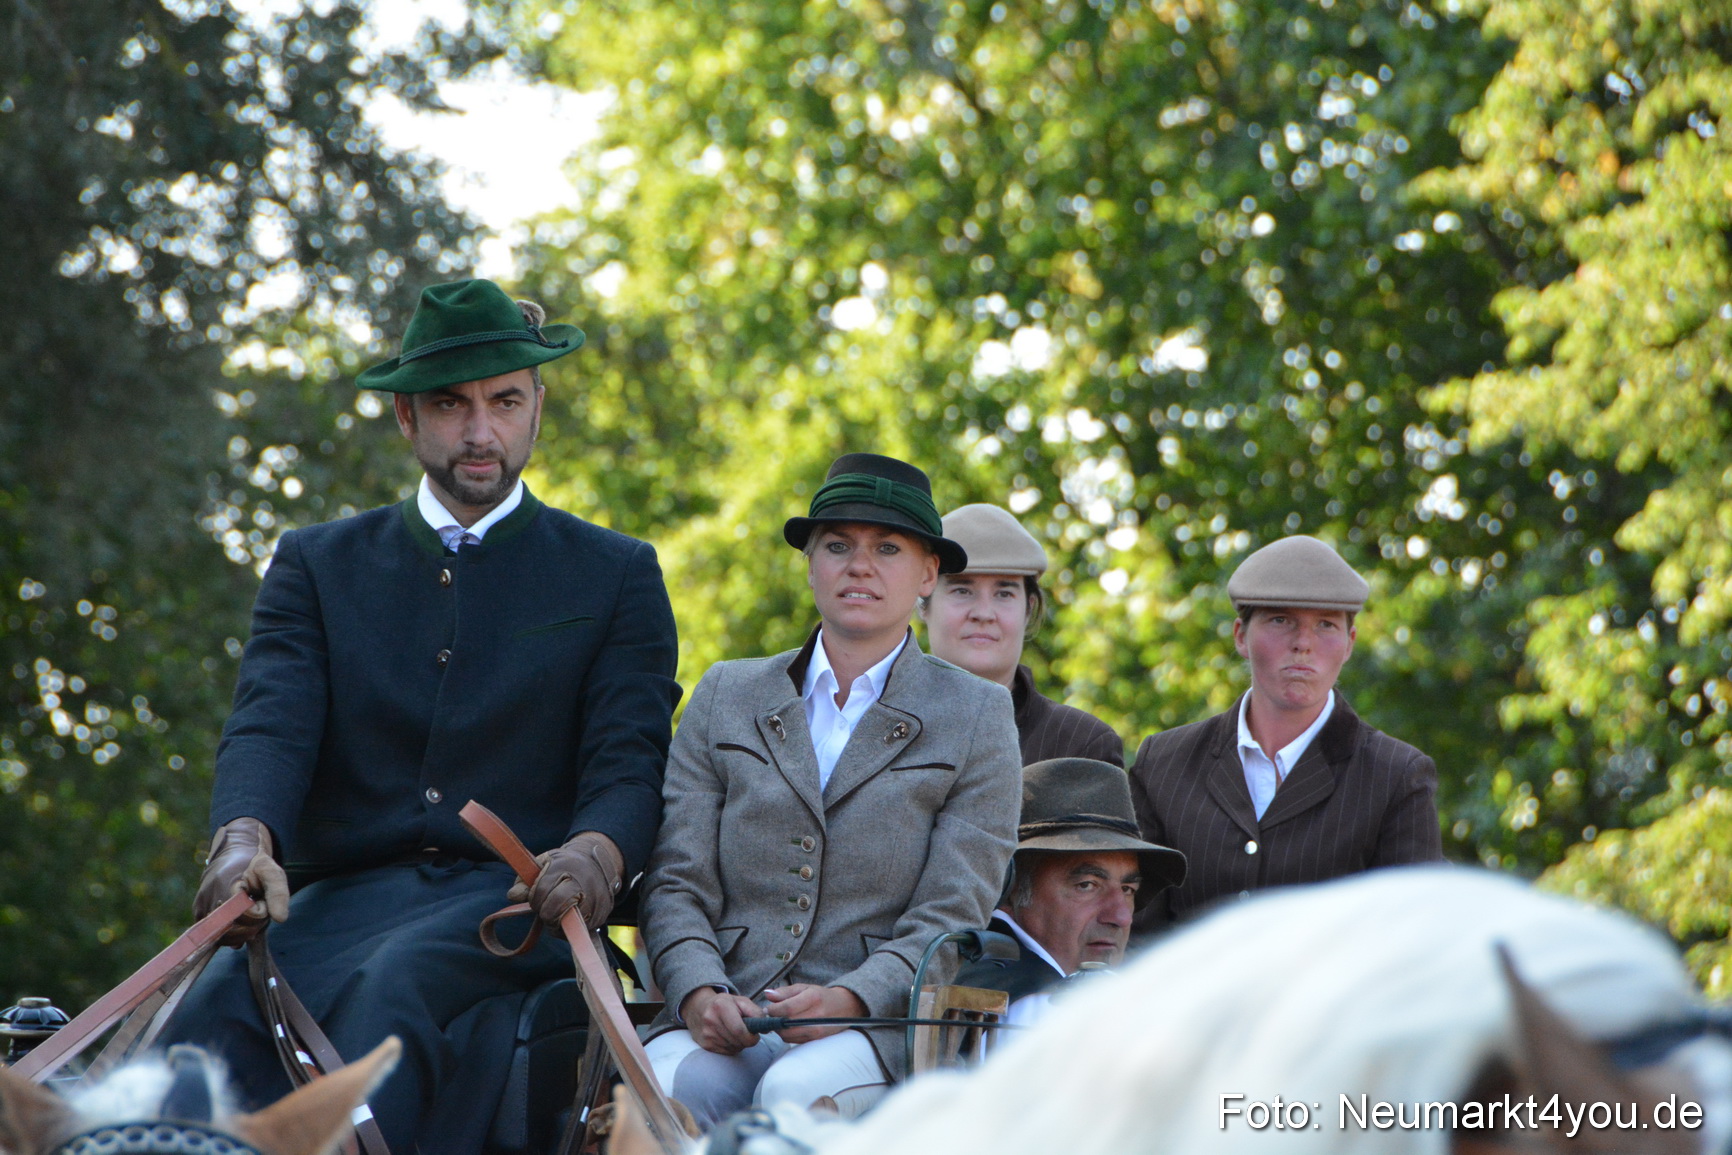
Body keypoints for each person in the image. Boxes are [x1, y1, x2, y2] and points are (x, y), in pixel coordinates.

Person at [161, 279, 681, 1154]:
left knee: (390, 993)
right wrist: (243, 842)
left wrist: (595, 856)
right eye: (452, 405)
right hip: (333, 904)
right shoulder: (316, 564)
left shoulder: (616, 573)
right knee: (206, 1010)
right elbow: (270, 725)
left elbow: (630, 761)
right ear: (407, 417)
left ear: (536, 407)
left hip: (512, 909)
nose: (481, 431)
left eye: (505, 402)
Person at [640, 452, 1021, 1125]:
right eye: (837, 545)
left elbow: (951, 914)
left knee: (791, 1095)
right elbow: (675, 879)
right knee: (686, 1086)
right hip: (725, 1005)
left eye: (888, 548)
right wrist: (699, 989)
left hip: (875, 1024)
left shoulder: (978, 715)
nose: (859, 565)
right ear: (810, 562)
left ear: (929, 572)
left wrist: (849, 998)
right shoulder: (727, 693)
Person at [1128, 534, 1441, 933]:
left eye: (1325, 625)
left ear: (1349, 644)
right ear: (1241, 635)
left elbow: (1413, 937)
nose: (1303, 644)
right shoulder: (1164, 764)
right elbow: (1135, 929)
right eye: (1281, 620)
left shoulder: (1397, 776)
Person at [955, 758, 1186, 1025]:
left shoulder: (972, 966)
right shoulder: (1043, 1007)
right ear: (1012, 887)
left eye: (1127, 889)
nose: (1120, 917)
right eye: (1087, 885)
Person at [918, 503, 1123, 766]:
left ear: (1029, 609)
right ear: (924, 603)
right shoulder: (870, 722)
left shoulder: (1081, 745)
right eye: (962, 591)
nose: (983, 613)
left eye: (1004, 594)